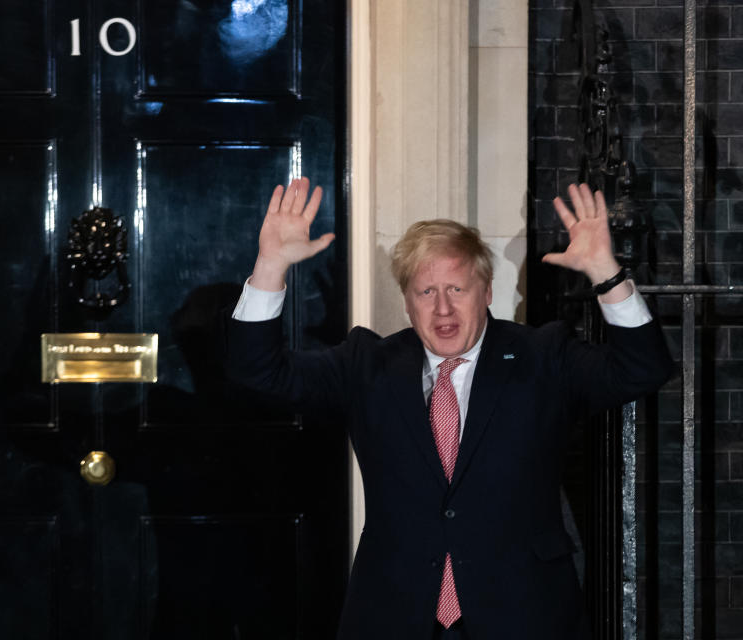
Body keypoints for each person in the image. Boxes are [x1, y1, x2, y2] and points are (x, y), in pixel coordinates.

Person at [226, 178, 672, 639]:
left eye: (457, 289)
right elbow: (255, 371)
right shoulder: (366, 364)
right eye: (426, 292)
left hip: (522, 614)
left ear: (487, 292)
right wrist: (270, 263)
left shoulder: (544, 356)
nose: (442, 309)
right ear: (407, 302)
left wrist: (606, 271)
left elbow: (644, 369)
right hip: (395, 616)